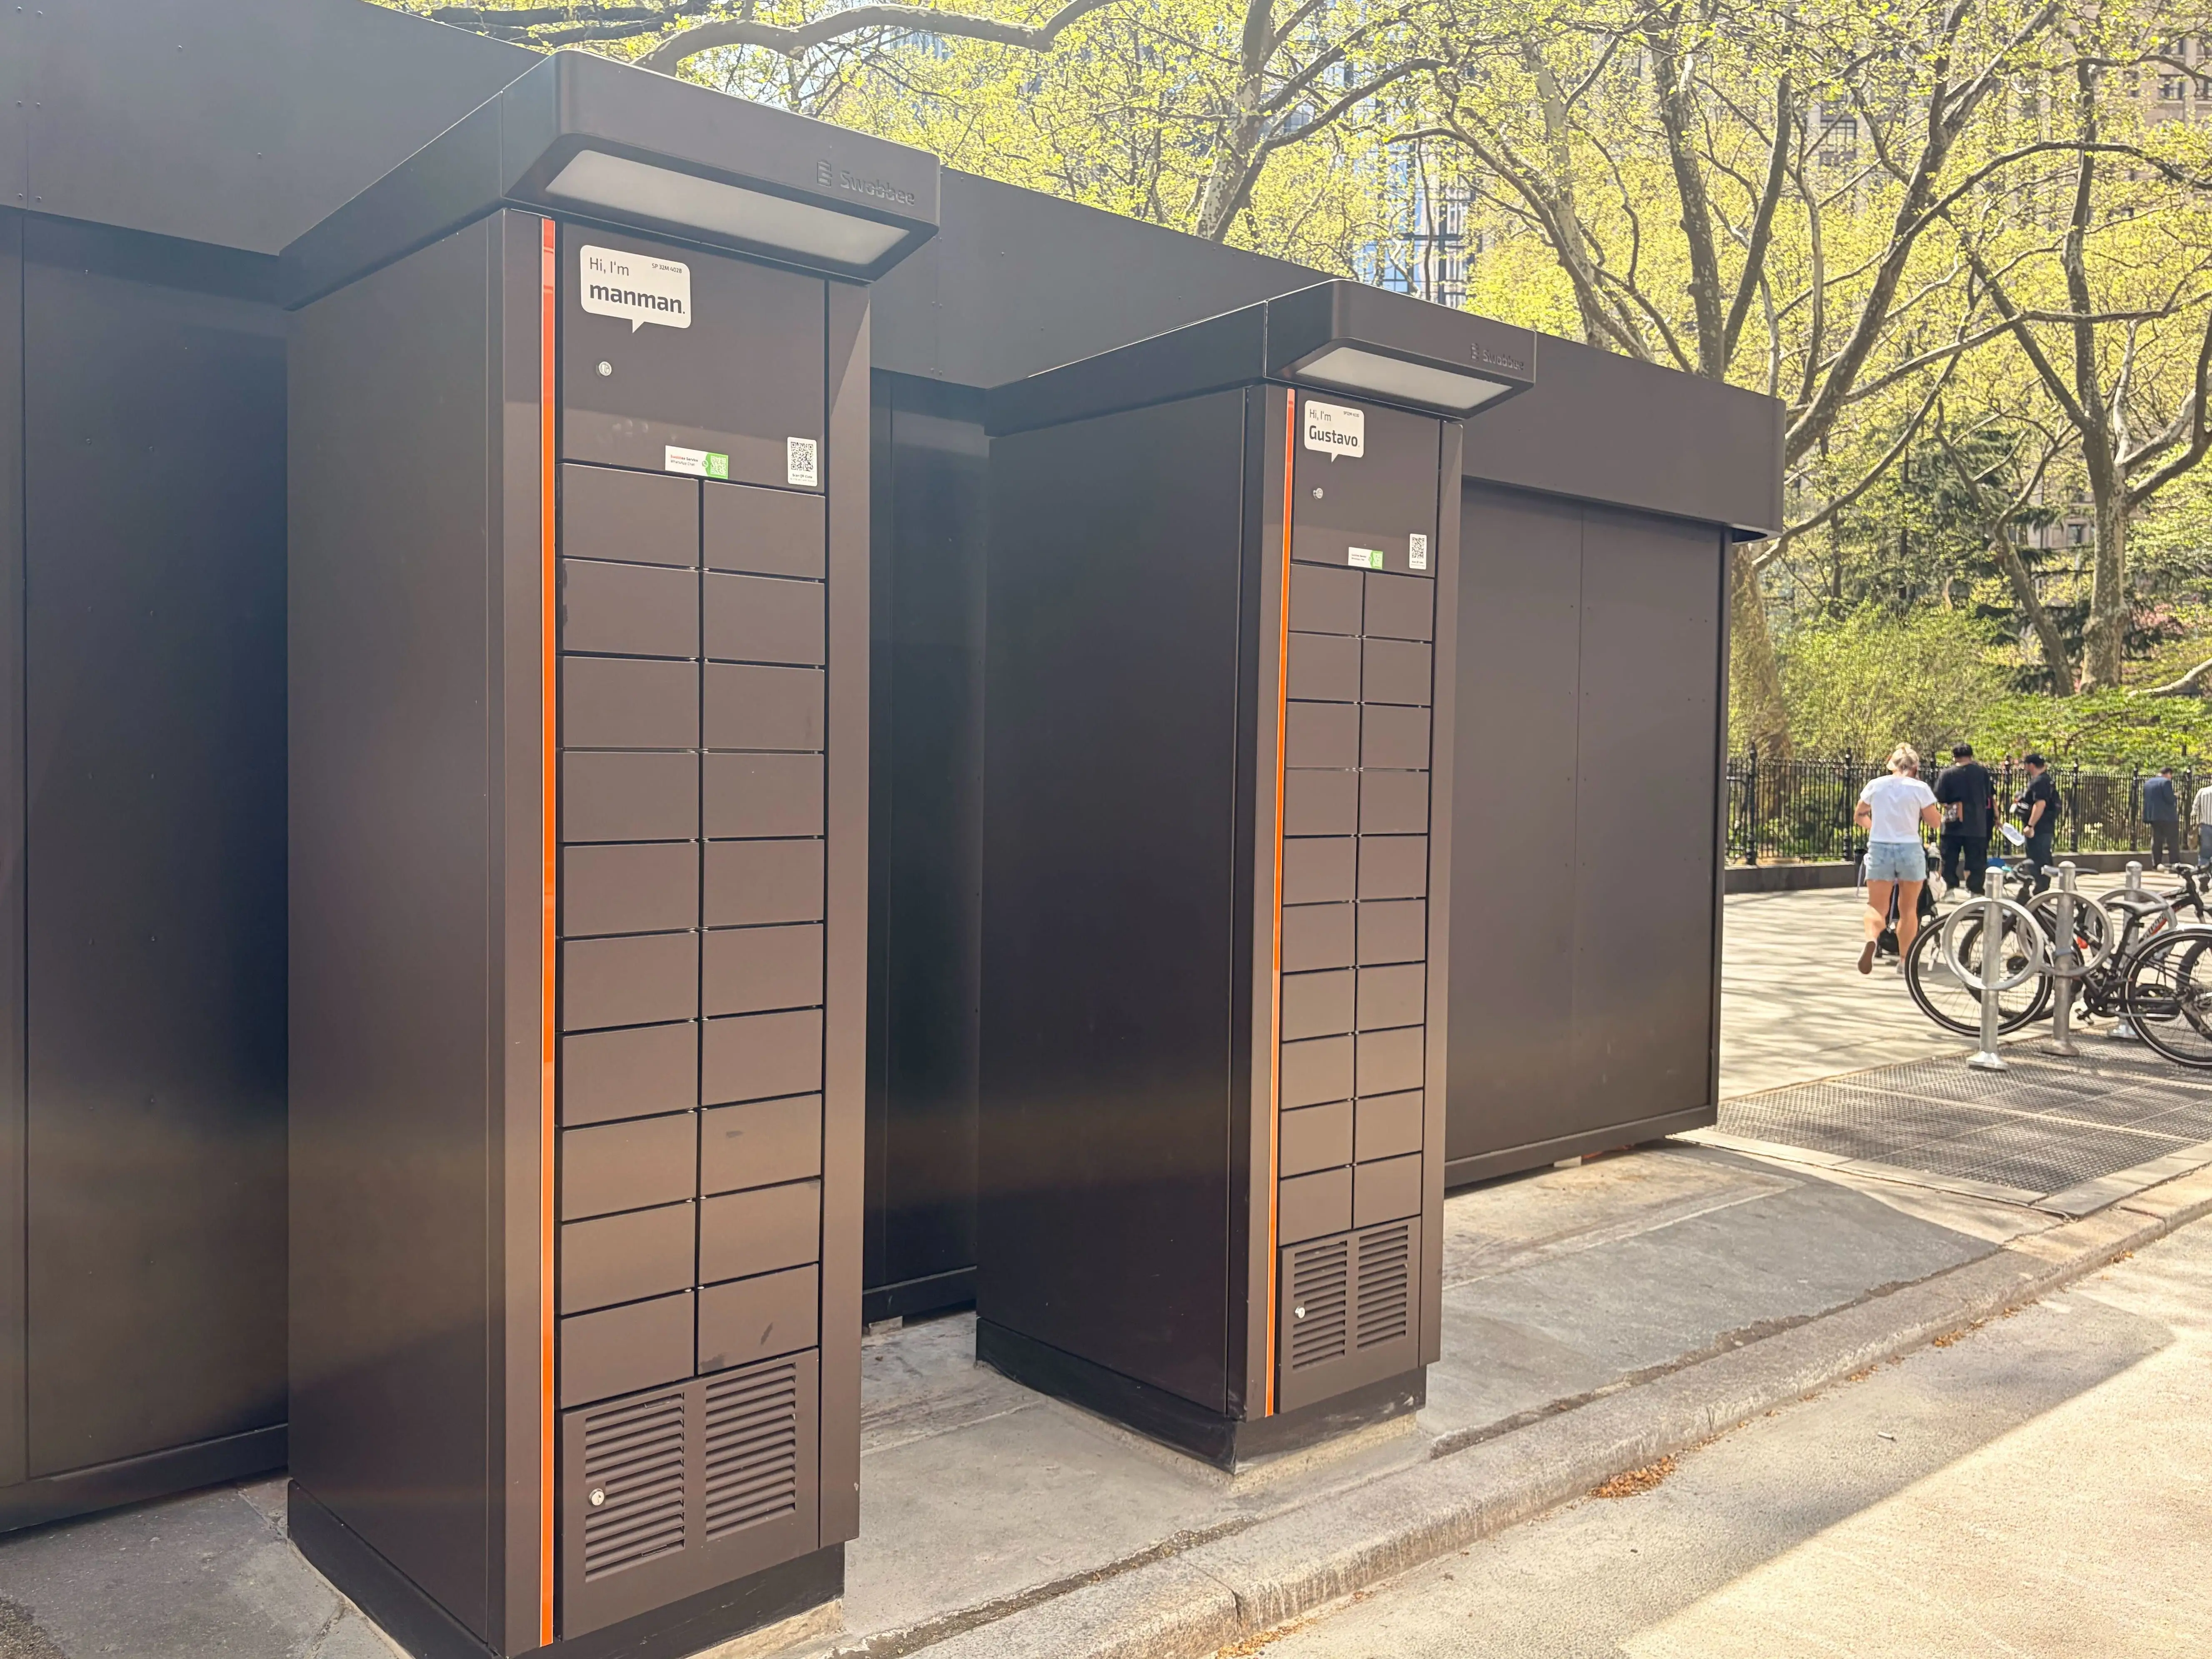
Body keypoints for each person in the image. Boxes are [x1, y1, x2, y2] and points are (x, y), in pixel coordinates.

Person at [1855, 745, 1941, 975]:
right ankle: (1904, 961)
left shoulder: (1876, 785)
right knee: (1909, 909)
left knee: (1877, 907)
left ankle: (1873, 940)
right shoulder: (1920, 788)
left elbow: (1859, 815)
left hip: (1881, 848)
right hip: (1910, 849)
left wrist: (1875, 828)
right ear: (1915, 768)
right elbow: (1935, 823)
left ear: (1891, 765)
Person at [1932, 743, 1997, 899]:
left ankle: (1950, 889)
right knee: (1977, 858)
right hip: (1977, 822)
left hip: (1953, 824)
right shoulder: (1982, 773)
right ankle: (1975, 890)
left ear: (1954, 756)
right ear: (1971, 755)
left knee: (1950, 857)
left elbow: (1940, 796)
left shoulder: (1948, 774)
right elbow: (1989, 795)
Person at [2017, 752, 2061, 892]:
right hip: (2046, 826)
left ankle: (2041, 887)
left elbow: (2040, 804)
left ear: (2031, 766)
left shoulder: (2039, 782)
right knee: (2042, 855)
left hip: (2040, 827)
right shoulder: (2047, 780)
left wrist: (2031, 826)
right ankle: (2041, 886)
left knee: (2037, 857)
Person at [2144, 766, 2180, 868]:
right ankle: (2175, 863)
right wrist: (2175, 796)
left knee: (2157, 840)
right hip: (2168, 817)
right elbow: (2170, 799)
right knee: (2172, 840)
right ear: (2168, 774)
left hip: (2153, 816)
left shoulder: (2148, 783)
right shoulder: (2165, 782)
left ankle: (2156, 863)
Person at [2196, 774, 2212, 868]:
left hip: (2205, 825)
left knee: (2205, 852)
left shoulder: (2203, 792)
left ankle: (2203, 872)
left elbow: (2195, 809)